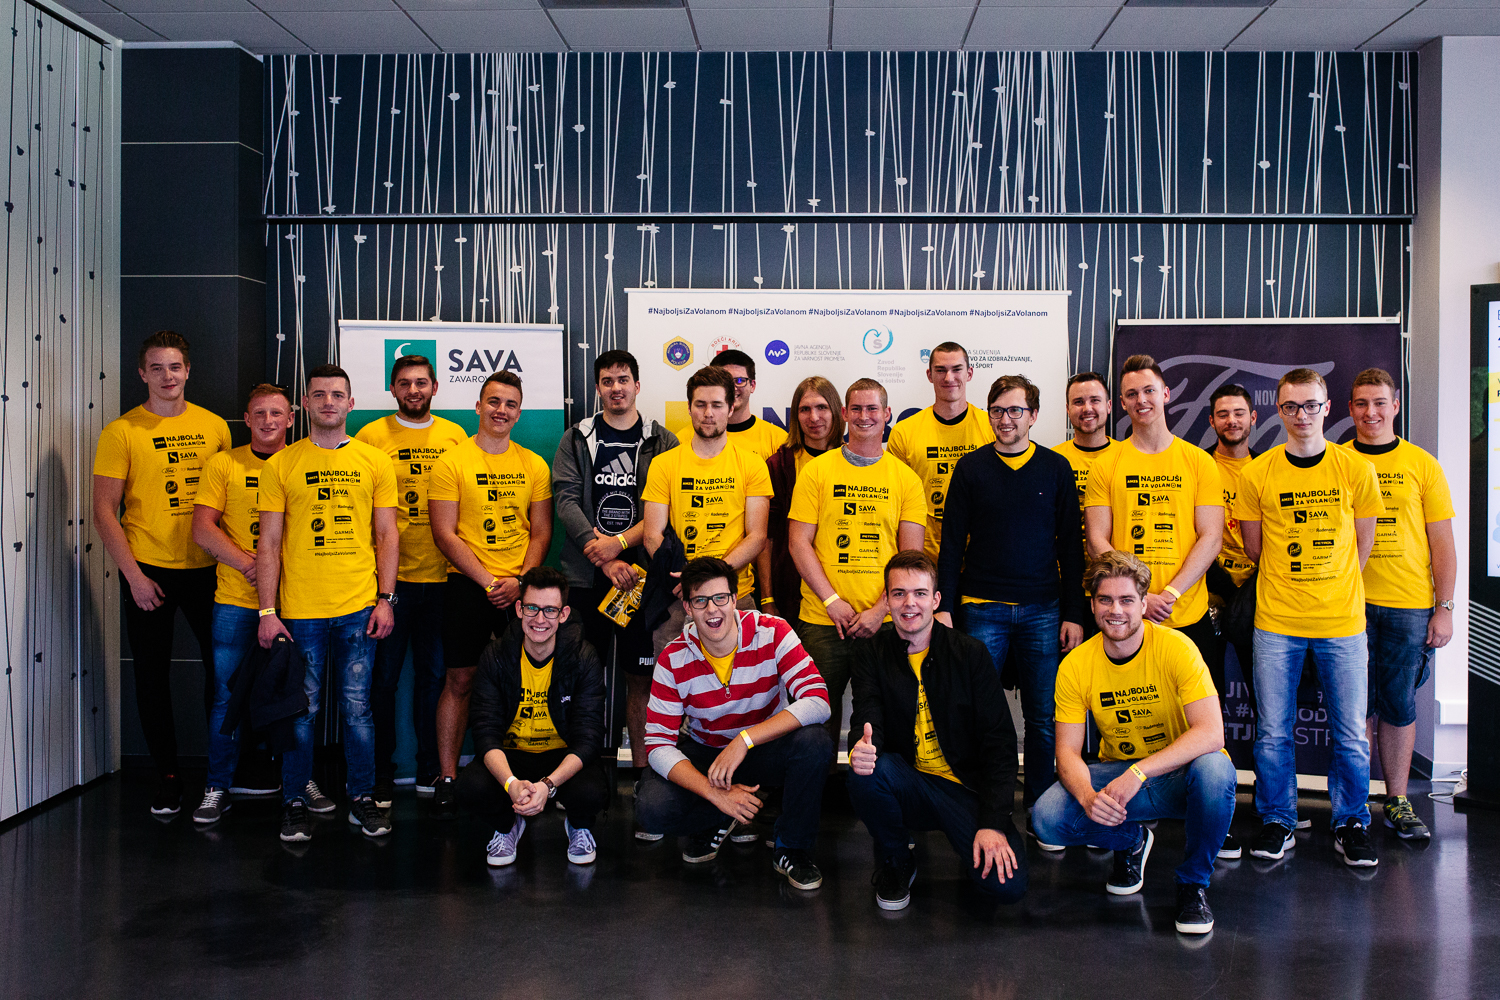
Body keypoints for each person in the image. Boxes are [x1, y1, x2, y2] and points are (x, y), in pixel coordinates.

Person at [1031, 551, 1236, 935]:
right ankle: (1131, 841)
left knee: (1215, 769)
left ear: (1144, 604)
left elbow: (1211, 733)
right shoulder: (1075, 665)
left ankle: (1193, 884)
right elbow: (1067, 753)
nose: (1116, 610)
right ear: (1093, 605)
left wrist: (1139, 772)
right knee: (1047, 817)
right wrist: (1089, 798)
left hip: (1177, 775)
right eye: (1105, 600)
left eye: (1126, 600)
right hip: (1119, 777)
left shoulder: (1176, 648)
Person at [1237, 368, 1383, 868]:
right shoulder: (1258, 473)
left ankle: (1351, 822)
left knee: (1350, 734)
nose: (1302, 415)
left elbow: (1363, 544)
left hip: (1342, 623)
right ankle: (1278, 818)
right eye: (1291, 406)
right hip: (1276, 622)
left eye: (1311, 405)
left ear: (1327, 408)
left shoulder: (1355, 469)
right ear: (1278, 410)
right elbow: (1255, 549)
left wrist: (1332, 586)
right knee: (1273, 732)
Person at [936, 374, 1084, 839]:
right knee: (977, 715)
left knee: (1043, 718)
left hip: (1043, 610)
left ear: (1033, 416)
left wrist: (1074, 612)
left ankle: (1041, 810)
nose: (1005, 419)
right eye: (997, 411)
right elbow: (951, 543)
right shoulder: (970, 468)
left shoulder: (1056, 469)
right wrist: (945, 606)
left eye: (1015, 410)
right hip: (981, 608)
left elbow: (1071, 548)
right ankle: (981, 810)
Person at [256, 364, 399, 843]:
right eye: (319, 395)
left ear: (350, 403)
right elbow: (268, 544)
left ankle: (362, 798)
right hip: (301, 610)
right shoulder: (281, 465)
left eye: (337, 395)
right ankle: (293, 801)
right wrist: (267, 611)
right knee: (302, 710)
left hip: (359, 606)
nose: (329, 402)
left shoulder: (374, 461)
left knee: (358, 709)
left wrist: (386, 599)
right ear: (305, 404)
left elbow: (387, 534)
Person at [92, 331, 231, 815]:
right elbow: (104, 511)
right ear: (142, 373)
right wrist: (133, 577)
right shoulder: (122, 431)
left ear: (188, 370)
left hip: (209, 569)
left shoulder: (215, 426)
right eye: (157, 368)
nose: (167, 376)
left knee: (223, 674)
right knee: (151, 677)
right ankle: (168, 776)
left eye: (175, 367)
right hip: (148, 570)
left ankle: (220, 774)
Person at [635, 557, 833, 889]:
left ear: (734, 598)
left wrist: (744, 740)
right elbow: (657, 745)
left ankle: (792, 848)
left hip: (762, 748)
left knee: (815, 742)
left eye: (720, 598)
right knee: (651, 808)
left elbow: (818, 700)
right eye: (700, 600)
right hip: (707, 752)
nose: (712, 610)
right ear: (687, 607)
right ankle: (723, 813)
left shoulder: (772, 631)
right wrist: (715, 794)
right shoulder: (673, 657)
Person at [847, 550, 1028, 911]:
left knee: (1007, 887)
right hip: (909, 782)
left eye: (919, 593)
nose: (909, 603)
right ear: (887, 601)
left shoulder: (970, 653)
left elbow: (1000, 743)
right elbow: (867, 715)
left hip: (963, 789)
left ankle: (970, 839)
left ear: (936, 599)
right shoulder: (872, 653)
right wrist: (861, 748)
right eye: (899, 594)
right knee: (865, 768)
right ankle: (896, 857)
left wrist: (992, 823)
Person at [428, 371, 554, 817]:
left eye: (510, 404)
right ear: (478, 407)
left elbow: (541, 532)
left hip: (522, 587)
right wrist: (487, 582)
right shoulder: (451, 461)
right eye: (494, 402)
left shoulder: (534, 464)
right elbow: (444, 534)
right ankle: (447, 777)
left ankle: (523, 778)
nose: (501, 410)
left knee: (526, 684)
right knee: (460, 681)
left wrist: (520, 581)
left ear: (519, 413)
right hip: (468, 584)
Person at [552, 349, 678, 778]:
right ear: (598, 388)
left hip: (643, 580)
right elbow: (566, 500)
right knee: (581, 678)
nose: (616, 388)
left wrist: (620, 544)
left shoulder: (663, 441)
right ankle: (575, 776)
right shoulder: (576, 438)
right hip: (586, 578)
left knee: (641, 681)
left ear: (637, 385)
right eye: (607, 381)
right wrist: (601, 555)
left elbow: (665, 508)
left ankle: (644, 776)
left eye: (623, 380)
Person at [1345, 367, 1455, 842]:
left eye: (1379, 403)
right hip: (1346, 606)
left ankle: (1397, 799)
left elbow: (1443, 542)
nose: (1370, 412)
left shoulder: (1421, 464)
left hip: (1408, 605)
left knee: (1398, 703)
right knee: (1353, 709)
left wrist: (1445, 607)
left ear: (1395, 406)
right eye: (1361, 403)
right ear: (1349, 408)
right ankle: (1354, 805)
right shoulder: (1336, 460)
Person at [354, 354, 468, 807]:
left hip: (443, 579)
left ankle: (429, 767)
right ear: (393, 389)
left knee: (434, 677)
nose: (414, 390)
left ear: (435, 387)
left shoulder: (455, 437)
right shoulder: (371, 436)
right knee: (382, 681)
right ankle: (382, 773)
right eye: (404, 383)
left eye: (421, 382)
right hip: (390, 583)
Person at [788, 378, 926, 748]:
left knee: (883, 720)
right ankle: (817, 784)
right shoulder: (816, 471)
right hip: (822, 620)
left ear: (887, 414)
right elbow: (798, 542)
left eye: (872, 408)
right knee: (814, 722)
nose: (865, 416)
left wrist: (880, 609)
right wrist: (832, 601)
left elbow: (911, 561)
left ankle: (872, 784)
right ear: (845, 413)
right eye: (857, 409)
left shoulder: (907, 479)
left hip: (886, 624)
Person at [190, 384, 297, 824]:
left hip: (295, 601)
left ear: (291, 418)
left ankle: (299, 783)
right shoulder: (224, 464)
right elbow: (202, 528)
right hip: (235, 599)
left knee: (296, 699)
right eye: (260, 413)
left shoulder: (304, 461)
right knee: (226, 696)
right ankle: (217, 785)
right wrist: (253, 566)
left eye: (277, 413)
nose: (269, 421)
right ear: (247, 419)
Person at [455, 566, 608, 867]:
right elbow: (485, 732)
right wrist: (511, 783)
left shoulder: (584, 657)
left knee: (592, 791)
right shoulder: (495, 655)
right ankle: (507, 825)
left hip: (561, 754)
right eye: (532, 608)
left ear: (564, 614)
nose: (540, 619)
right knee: (470, 787)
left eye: (550, 610)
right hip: (513, 755)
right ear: (519, 609)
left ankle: (579, 825)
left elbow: (589, 737)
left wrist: (548, 785)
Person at [1084, 354, 1224, 665]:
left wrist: (1170, 593)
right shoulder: (1105, 465)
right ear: (1122, 403)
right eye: (1132, 394)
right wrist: (1138, 598)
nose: (1141, 400)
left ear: (1166, 393)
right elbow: (1096, 541)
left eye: (1149, 390)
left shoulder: (1200, 462)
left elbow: (1212, 538)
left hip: (1186, 614)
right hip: (1127, 619)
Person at [642, 366, 771, 657]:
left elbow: (757, 537)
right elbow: (651, 535)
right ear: (689, 407)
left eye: (717, 405)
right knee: (673, 684)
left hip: (736, 597)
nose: (708, 413)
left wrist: (708, 581)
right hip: (679, 597)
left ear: (731, 407)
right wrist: (691, 583)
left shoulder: (752, 465)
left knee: (746, 684)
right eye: (700, 404)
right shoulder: (664, 464)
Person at [1201, 383, 1261, 857]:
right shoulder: (1197, 465)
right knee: (1209, 700)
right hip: (1210, 596)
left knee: (1268, 702)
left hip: (1261, 596)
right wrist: (1224, 587)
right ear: (1211, 420)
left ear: (1254, 417)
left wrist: (1249, 590)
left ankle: (1271, 802)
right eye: (1223, 414)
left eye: (1239, 413)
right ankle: (1211, 803)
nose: (1231, 421)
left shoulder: (1268, 467)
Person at [887, 342, 994, 563]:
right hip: (923, 559)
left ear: (969, 373)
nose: (948, 377)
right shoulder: (904, 432)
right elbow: (894, 502)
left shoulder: (992, 427)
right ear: (929, 375)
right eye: (940, 370)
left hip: (981, 556)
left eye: (956, 369)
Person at [758, 376, 845, 626]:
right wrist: (767, 598)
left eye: (822, 407)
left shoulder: (853, 460)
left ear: (837, 411)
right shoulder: (779, 465)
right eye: (804, 409)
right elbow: (766, 538)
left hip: (844, 589)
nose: (813, 417)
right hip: (791, 591)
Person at [1052, 371, 1120, 558]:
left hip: (1115, 571)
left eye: (1095, 400)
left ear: (1108, 406)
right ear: (1068, 409)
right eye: (1078, 402)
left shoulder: (1127, 457)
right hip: (1063, 570)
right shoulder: (1052, 461)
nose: (1087, 408)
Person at [711, 348, 787, 462]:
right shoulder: (688, 438)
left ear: (752, 385)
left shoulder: (778, 439)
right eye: (724, 381)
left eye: (739, 380)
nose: (732, 388)